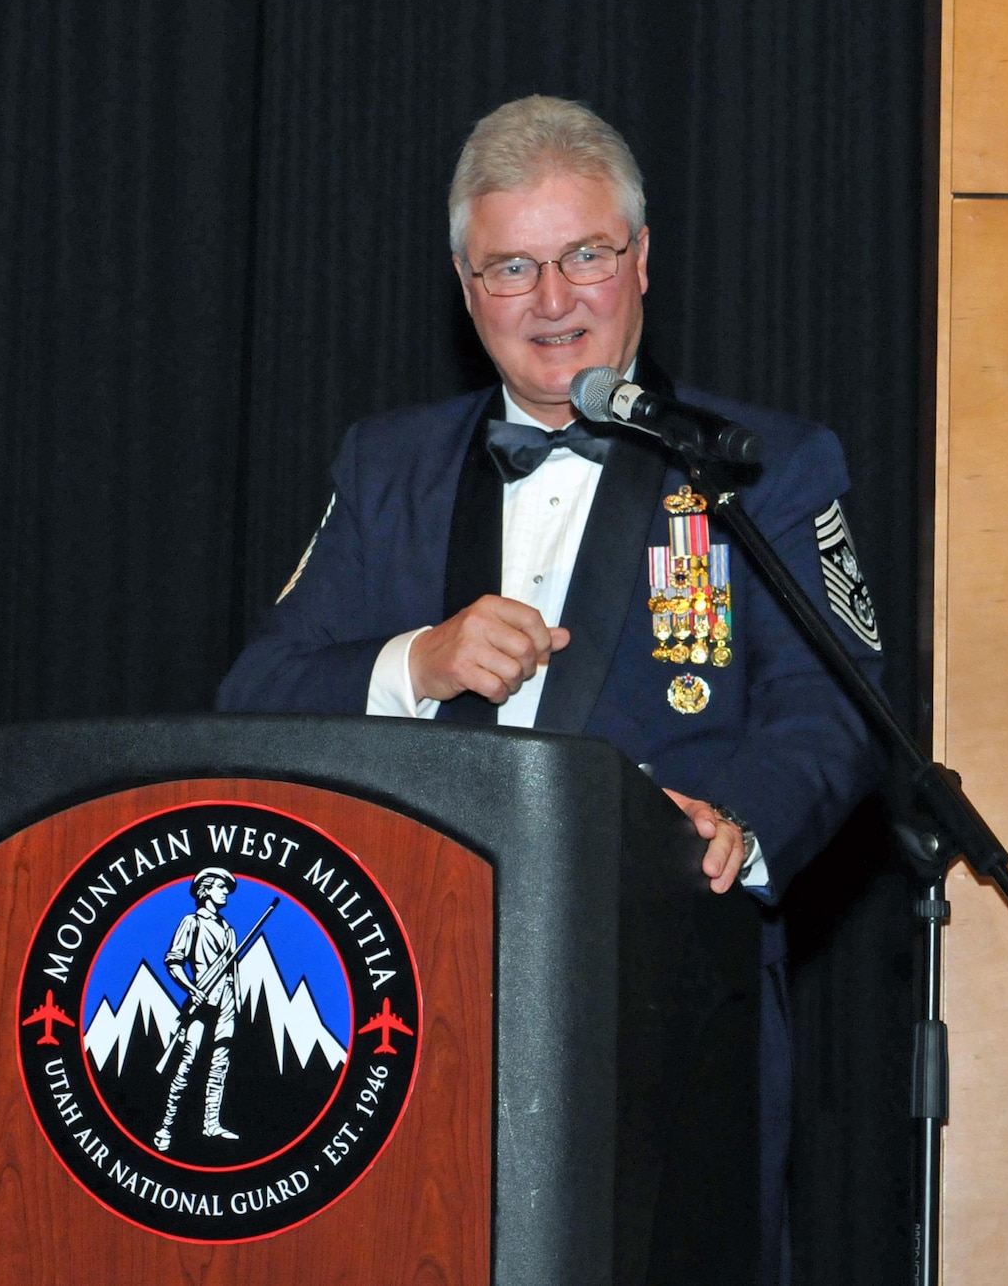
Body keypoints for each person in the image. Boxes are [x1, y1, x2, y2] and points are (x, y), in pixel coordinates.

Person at [215, 95, 884, 1284]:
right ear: (466, 292)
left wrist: (732, 818)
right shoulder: (388, 461)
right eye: (511, 268)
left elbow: (832, 711)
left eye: (583, 255)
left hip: (671, 1002)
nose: (554, 299)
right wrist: (410, 662)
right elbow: (254, 694)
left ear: (639, 261)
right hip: (400, 1017)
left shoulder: (759, 462)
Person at [154, 866, 243, 1151]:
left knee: (220, 1065)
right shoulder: (191, 923)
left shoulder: (229, 931)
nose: (226, 892)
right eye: (220, 886)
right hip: (202, 1001)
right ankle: (166, 1127)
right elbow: (174, 961)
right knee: (187, 1061)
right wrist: (192, 990)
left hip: (227, 1002)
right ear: (205, 889)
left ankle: (211, 1124)